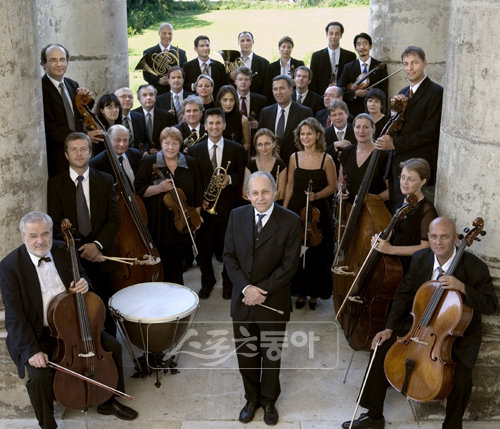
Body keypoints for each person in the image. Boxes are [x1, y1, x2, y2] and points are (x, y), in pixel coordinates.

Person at [342, 216, 497, 429]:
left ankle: (452, 426)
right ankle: (374, 415)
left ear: (455, 238)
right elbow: (404, 294)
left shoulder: (475, 267)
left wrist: (462, 287)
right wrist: (389, 328)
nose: (438, 242)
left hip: (455, 335)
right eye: (433, 236)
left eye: (444, 237)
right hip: (420, 325)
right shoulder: (421, 258)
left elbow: (490, 305)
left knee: (461, 380)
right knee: (381, 346)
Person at [0, 212, 137, 429]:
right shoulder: (9, 266)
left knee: (113, 346)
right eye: (33, 236)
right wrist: (31, 351)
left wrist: (84, 283)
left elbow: (83, 276)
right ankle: (48, 424)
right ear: (23, 237)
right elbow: (15, 316)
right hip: (38, 333)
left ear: (51, 233)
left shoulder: (64, 248)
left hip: (73, 325)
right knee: (38, 377)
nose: (40, 241)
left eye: (45, 234)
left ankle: (108, 400)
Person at [224, 171, 301, 426]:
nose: (260, 197)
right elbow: (229, 256)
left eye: (265, 192)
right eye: (255, 193)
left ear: (275, 192)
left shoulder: (291, 221)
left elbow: (289, 265)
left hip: (273, 302)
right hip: (243, 300)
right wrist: (247, 288)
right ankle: (251, 399)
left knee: (271, 355)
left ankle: (269, 401)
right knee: (246, 355)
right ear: (247, 194)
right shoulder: (236, 216)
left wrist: (260, 292)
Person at [47, 132, 120, 334]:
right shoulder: (55, 184)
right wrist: (80, 250)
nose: (79, 154)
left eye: (83, 149)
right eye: (74, 150)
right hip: (73, 261)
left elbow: (114, 219)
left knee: (107, 312)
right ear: (66, 154)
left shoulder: (105, 180)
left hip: (102, 257)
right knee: (79, 316)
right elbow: (55, 225)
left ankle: (109, 352)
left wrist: (96, 245)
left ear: (90, 152)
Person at [374, 46, 443, 212]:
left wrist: (394, 144)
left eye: (414, 63)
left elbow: (429, 133)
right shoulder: (403, 92)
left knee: (412, 215)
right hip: (398, 167)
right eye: (406, 64)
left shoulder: (436, 92)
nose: (410, 68)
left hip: (417, 168)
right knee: (396, 211)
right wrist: (393, 113)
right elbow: (398, 125)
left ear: (424, 64)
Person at [187, 108, 246, 300]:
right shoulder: (194, 150)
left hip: (229, 209)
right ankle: (207, 282)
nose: (214, 127)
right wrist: (200, 201)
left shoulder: (236, 148)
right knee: (204, 250)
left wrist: (230, 179)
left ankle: (228, 283)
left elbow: (242, 174)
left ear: (224, 125)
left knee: (229, 250)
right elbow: (194, 181)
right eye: (210, 123)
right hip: (205, 209)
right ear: (205, 126)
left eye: (218, 123)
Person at [135, 127, 202, 284]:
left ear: (180, 144)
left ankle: (178, 291)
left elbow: (198, 191)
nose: (170, 147)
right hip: (159, 222)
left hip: (183, 219)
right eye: (167, 143)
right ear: (161, 143)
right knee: (163, 262)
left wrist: (196, 216)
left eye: (175, 143)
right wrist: (159, 188)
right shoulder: (149, 163)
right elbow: (139, 190)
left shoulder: (190, 163)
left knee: (178, 263)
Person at [284, 117, 337, 310]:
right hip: (297, 210)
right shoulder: (294, 157)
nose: (305, 137)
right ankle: (300, 292)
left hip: (318, 213)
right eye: (302, 134)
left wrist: (316, 195)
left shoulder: (326, 159)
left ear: (318, 135)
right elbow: (290, 185)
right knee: (297, 253)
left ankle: (315, 293)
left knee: (317, 254)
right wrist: (285, 210)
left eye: (309, 133)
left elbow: (333, 186)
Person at [40, 43, 103, 177]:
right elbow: (50, 128)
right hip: (57, 155)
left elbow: (81, 112)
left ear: (67, 62)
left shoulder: (72, 84)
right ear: (44, 64)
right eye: (53, 60)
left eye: (62, 59)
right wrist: (84, 136)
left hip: (78, 155)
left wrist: (87, 99)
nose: (59, 64)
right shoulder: (40, 89)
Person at [371, 158, 438, 274]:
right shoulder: (402, 200)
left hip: (409, 267)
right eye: (402, 177)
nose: (404, 183)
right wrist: (387, 235)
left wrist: (391, 249)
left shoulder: (427, 210)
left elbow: (426, 247)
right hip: (393, 262)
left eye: (410, 179)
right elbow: (399, 229)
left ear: (423, 181)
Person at [259, 75, 313, 166]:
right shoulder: (265, 112)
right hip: (269, 163)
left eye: (282, 88)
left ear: (291, 90)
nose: (278, 92)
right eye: (275, 89)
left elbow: (309, 140)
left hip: (296, 163)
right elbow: (259, 138)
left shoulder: (305, 112)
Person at [338, 113, 389, 204]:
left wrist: (373, 200)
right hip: (349, 207)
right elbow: (340, 180)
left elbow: (391, 190)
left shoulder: (383, 155)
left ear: (373, 129)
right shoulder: (346, 152)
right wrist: (340, 190)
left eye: (366, 127)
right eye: (358, 127)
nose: (361, 131)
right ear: (353, 129)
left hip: (374, 208)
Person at [338, 33, 388, 117]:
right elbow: (340, 89)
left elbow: (384, 91)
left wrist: (384, 113)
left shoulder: (380, 66)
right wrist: (354, 93)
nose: (362, 47)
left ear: (370, 46)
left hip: (374, 112)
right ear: (355, 48)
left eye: (365, 43)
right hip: (353, 111)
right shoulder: (348, 67)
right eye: (359, 44)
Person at [310, 22, 357, 96]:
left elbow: (351, 80)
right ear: (327, 35)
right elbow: (313, 81)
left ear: (341, 35)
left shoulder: (350, 56)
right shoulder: (316, 56)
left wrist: (339, 85)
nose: (333, 36)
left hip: (342, 96)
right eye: (331, 33)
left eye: (337, 34)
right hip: (322, 97)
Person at [141, 22, 188, 95]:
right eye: (164, 33)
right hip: (156, 93)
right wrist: (159, 80)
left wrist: (171, 80)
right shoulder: (148, 52)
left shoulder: (181, 53)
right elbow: (146, 75)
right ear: (159, 33)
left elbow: (184, 73)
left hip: (175, 92)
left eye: (170, 33)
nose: (167, 36)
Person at [89, 124, 141, 189]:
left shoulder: (136, 154)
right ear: (108, 140)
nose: (122, 144)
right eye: (118, 140)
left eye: (125, 140)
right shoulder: (96, 163)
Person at [243, 129, 287, 202]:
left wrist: (256, 196)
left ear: (274, 143)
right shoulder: (250, 164)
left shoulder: (281, 166)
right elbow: (245, 193)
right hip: (253, 206)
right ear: (256, 147)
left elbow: (280, 196)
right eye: (260, 144)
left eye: (267, 143)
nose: (264, 148)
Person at [132, 84, 176, 155]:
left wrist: (161, 150)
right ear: (139, 99)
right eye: (144, 95)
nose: (148, 97)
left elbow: (172, 137)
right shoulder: (132, 115)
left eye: (151, 94)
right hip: (140, 154)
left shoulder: (167, 116)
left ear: (155, 97)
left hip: (163, 153)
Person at [216, 85, 251, 152]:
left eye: (231, 100)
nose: (228, 103)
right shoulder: (213, 117)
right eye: (225, 100)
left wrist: (236, 154)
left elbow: (247, 144)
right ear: (219, 100)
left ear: (235, 101)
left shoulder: (243, 120)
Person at [234, 66, 268, 135]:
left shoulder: (261, 101)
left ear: (250, 82)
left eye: (246, 79)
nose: (243, 82)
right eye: (240, 79)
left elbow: (267, 122)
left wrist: (258, 124)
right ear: (235, 82)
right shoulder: (229, 100)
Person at [324, 99, 355, 172]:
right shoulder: (324, 133)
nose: (337, 118)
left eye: (340, 114)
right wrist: (334, 146)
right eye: (334, 115)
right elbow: (321, 155)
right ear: (330, 117)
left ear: (347, 114)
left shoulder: (356, 131)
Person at [115, 87, 147, 151]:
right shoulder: (112, 118)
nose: (127, 99)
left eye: (130, 97)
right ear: (116, 99)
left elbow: (145, 140)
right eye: (123, 96)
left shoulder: (139, 117)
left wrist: (146, 150)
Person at [237, 31, 269, 95]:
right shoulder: (231, 61)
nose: (245, 43)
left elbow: (266, 87)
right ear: (238, 43)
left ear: (253, 42)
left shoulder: (264, 63)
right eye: (242, 41)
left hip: (257, 98)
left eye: (248, 40)